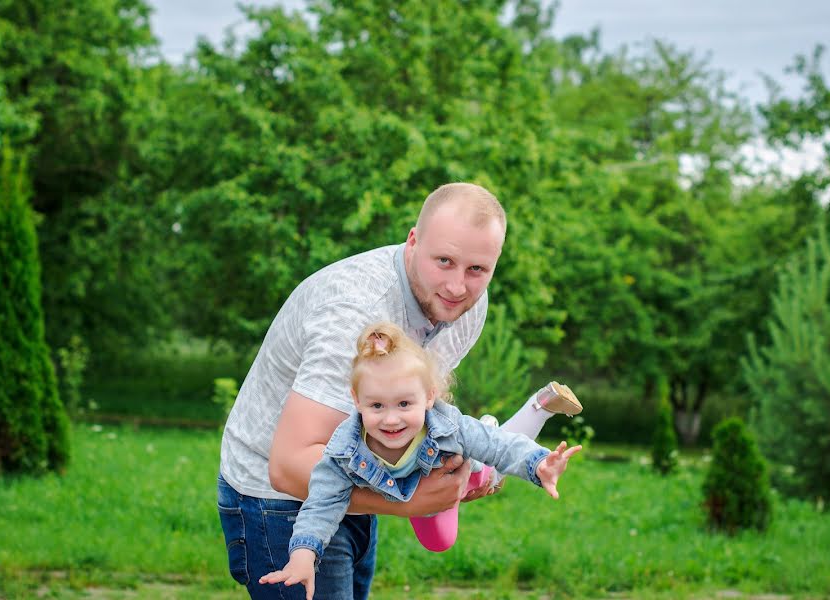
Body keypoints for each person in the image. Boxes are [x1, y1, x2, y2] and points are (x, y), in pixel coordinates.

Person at [216, 182, 574, 600]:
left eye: (477, 270)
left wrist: (459, 467)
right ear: (413, 241)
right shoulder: (354, 313)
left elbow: (427, 409)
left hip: (360, 477)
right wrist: (413, 500)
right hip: (277, 499)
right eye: (444, 261)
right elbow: (288, 465)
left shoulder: (464, 304)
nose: (458, 287)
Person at [258, 322, 583, 600]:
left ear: (429, 397)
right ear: (356, 401)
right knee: (440, 541)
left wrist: (539, 464)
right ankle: (531, 410)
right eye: (376, 406)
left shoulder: (448, 427)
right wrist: (303, 554)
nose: (391, 420)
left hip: (459, 467)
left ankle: (532, 410)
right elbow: (321, 503)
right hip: (416, 491)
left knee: (490, 469)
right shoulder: (345, 453)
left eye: (403, 404)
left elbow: (500, 447)